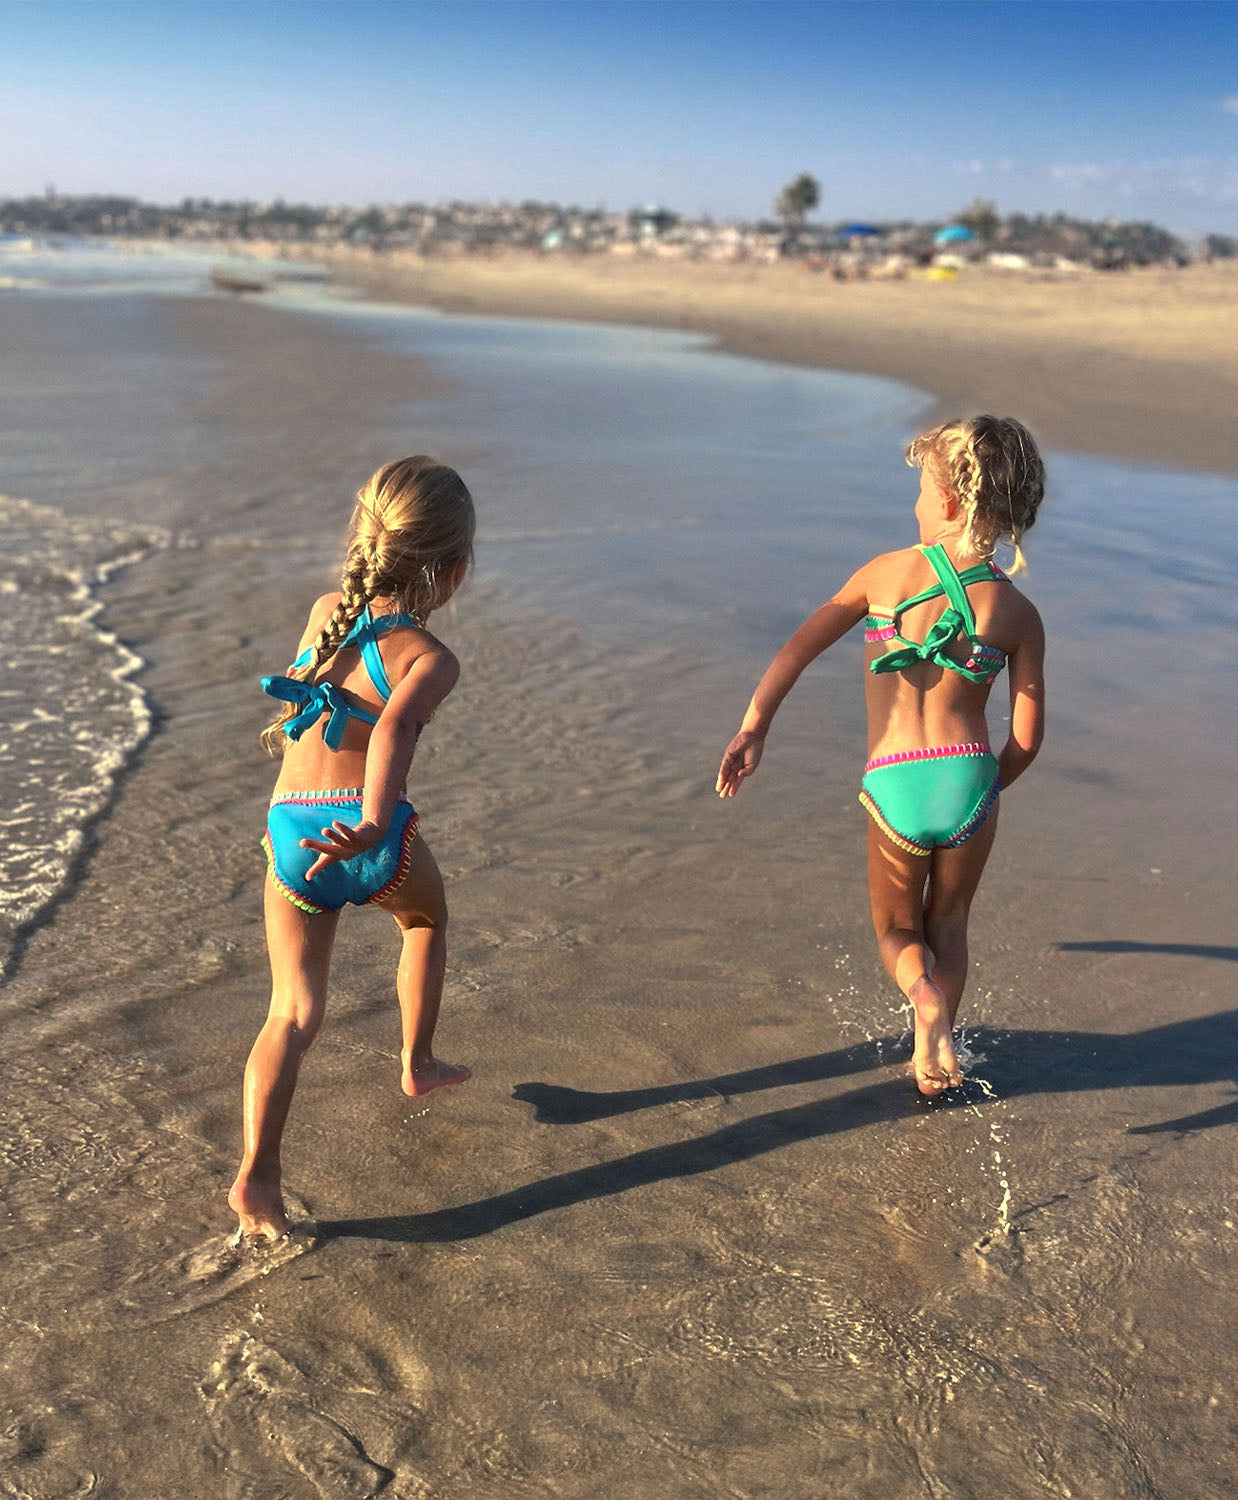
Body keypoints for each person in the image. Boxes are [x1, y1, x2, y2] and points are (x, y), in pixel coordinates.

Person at [717, 416, 1046, 1096]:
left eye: (923, 491)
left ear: (949, 503)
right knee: (948, 922)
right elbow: (1027, 737)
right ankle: (935, 1060)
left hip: (895, 781)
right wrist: (985, 790)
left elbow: (798, 647)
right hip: (968, 778)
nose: (917, 505)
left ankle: (920, 996)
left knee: (897, 926)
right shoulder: (1016, 612)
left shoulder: (885, 574)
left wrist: (754, 725)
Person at [229, 456, 475, 1240]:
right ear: (455, 569)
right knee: (425, 921)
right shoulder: (431, 658)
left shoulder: (325, 609)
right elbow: (395, 727)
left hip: (293, 833)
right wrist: (372, 822)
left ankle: (258, 1176)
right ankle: (418, 1061)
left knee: (292, 1014)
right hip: (364, 827)